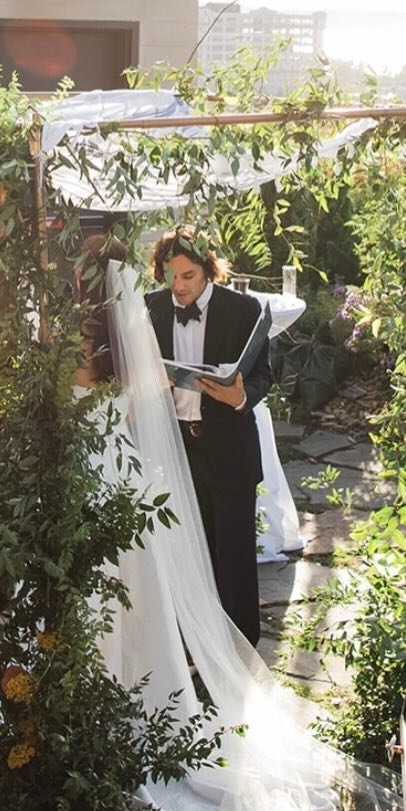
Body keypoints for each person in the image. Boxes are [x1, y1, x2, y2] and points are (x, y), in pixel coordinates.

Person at [0, 257, 395, 811]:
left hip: (107, 479)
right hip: (111, 475)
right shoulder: (123, 342)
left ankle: (91, 707)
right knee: (118, 590)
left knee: (117, 587)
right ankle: (82, 703)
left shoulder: (94, 352)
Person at [144, 226, 271, 646]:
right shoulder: (151, 309)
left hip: (228, 448)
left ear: (209, 271)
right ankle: (192, 646)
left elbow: (265, 375)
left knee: (233, 557)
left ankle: (241, 651)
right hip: (176, 448)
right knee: (186, 554)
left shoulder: (244, 310)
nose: (178, 287)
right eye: (170, 276)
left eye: (188, 277)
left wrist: (240, 396)